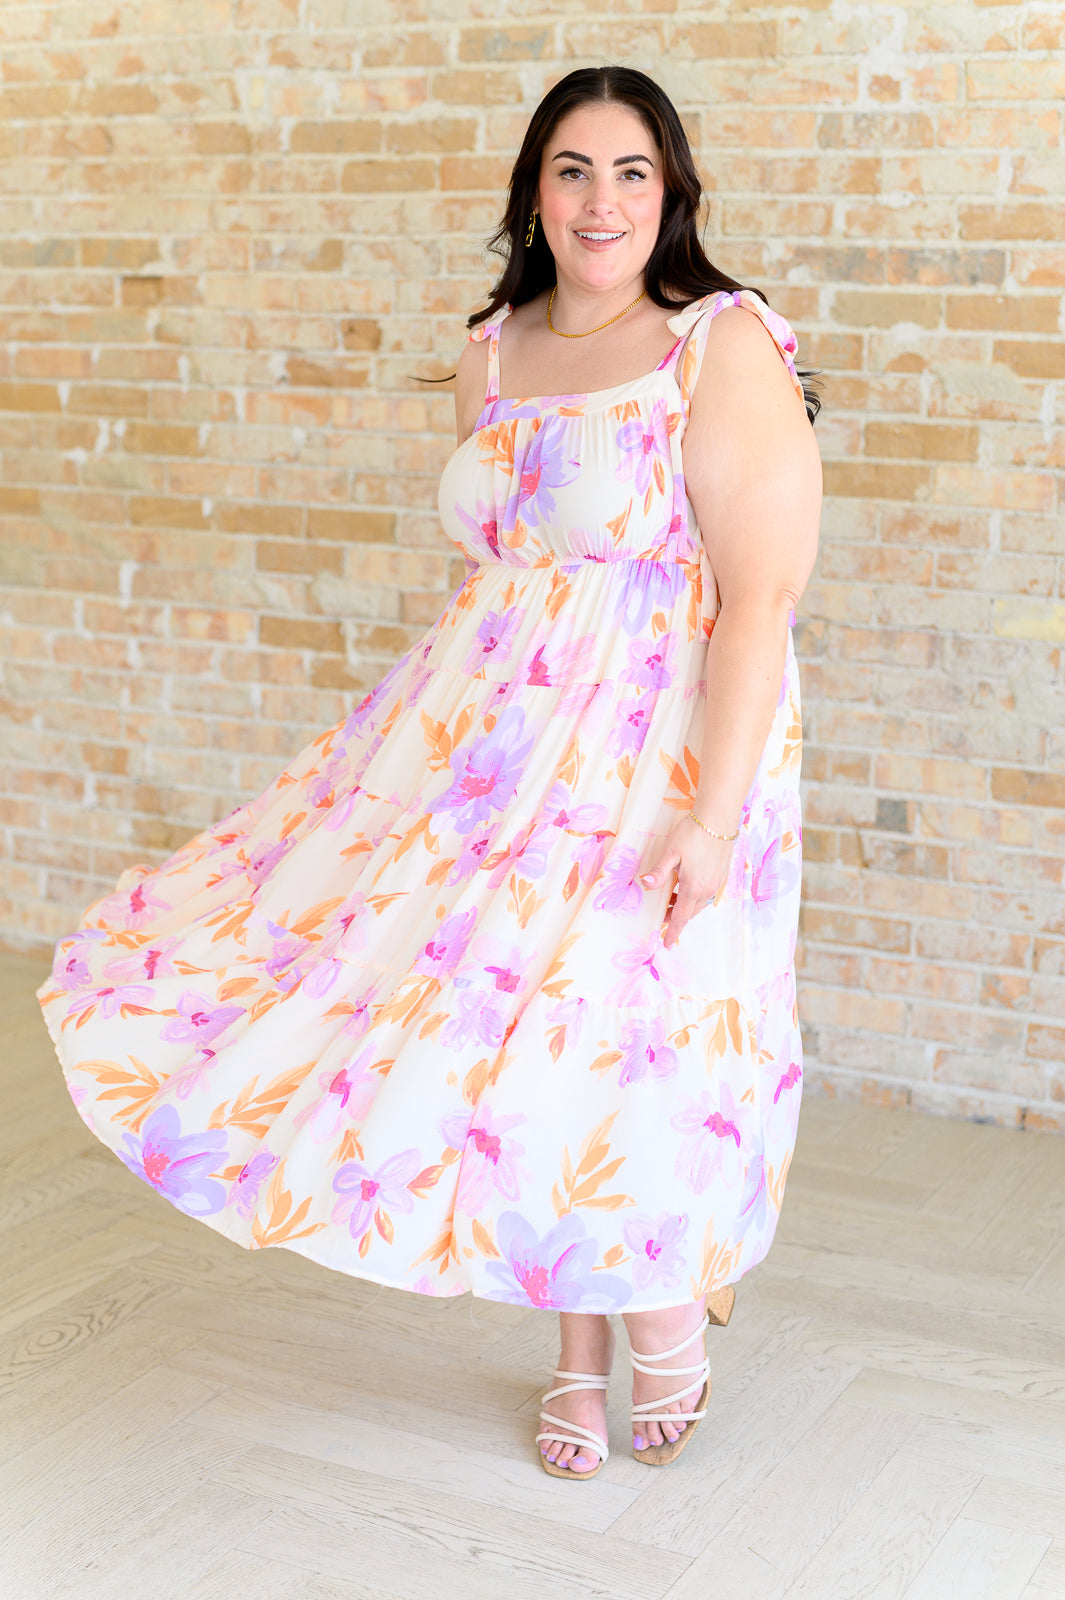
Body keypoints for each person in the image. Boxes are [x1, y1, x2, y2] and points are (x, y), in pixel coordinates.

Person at [37, 65, 822, 1481]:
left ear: (672, 196)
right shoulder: (491, 351)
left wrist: (712, 816)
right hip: (480, 756)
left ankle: (656, 1315)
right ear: (535, 192)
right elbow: (507, 576)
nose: (600, 201)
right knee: (497, 1037)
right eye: (572, 170)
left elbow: (760, 596)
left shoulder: (719, 345)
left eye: (631, 172)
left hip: (653, 752)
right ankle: (575, 1345)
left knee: (616, 1034)